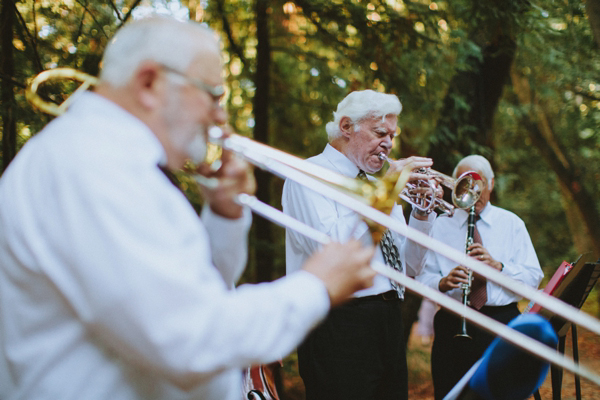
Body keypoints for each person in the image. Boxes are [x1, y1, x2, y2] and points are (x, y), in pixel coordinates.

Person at [0, 17, 378, 400]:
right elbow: (188, 336)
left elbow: (192, 291)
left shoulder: (119, 162)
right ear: (150, 83)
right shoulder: (94, 165)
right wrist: (314, 287)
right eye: (212, 96)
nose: (220, 117)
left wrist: (224, 217)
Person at [282, 89, 437, 400]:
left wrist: (422, 213)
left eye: (392, 136)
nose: (389, 144)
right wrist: (386, 191)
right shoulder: (309, 175)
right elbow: (332, 252)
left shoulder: (377, 186)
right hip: (338, 324)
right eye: (381, 132)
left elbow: (408, 267)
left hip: (387, 320)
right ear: (346, 127)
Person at [416, 154, 544, 400]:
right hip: (452, 324)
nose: (472, 189)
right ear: (455, 185)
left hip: (502, 322)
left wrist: (499, 267)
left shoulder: (512, 224)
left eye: (479, 182)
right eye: (465, 182)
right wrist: (441, 283)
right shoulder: (441, 225)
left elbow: (533, 278)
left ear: (491, 184)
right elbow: (420, 277)